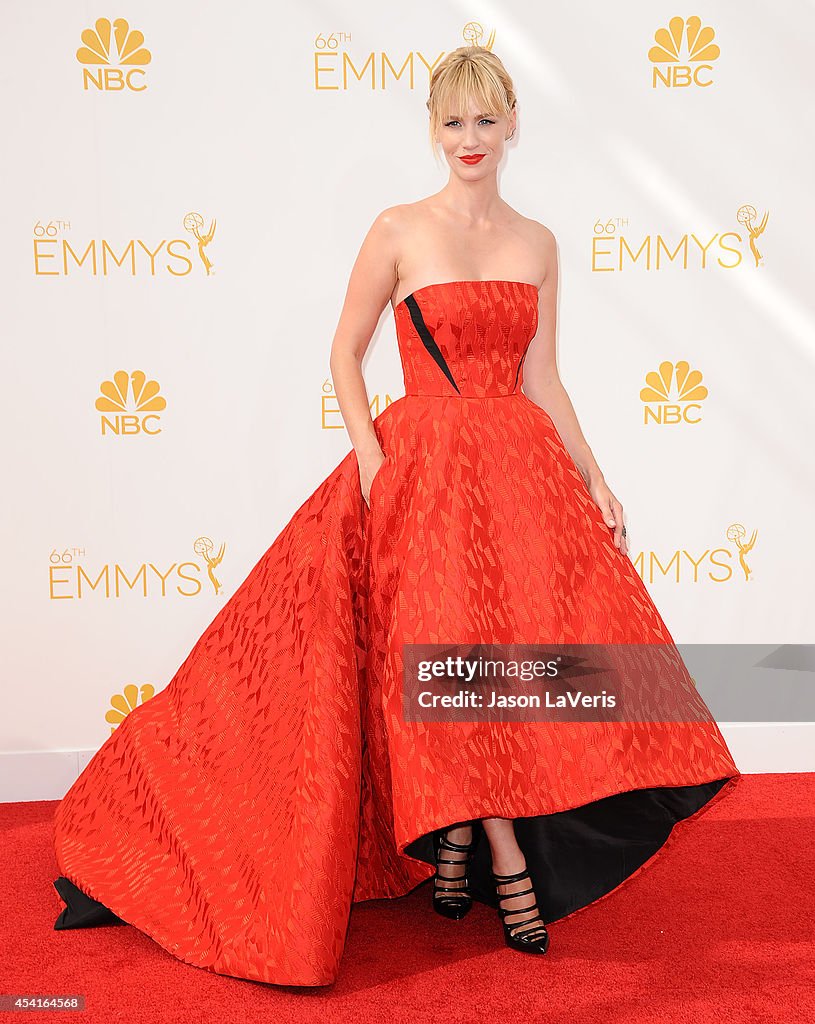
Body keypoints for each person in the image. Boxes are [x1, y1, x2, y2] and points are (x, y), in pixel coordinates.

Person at [52, 45, 740, 986]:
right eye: (453, 122)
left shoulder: (536, 241)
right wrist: (375, 465)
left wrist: (594, 474)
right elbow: (344, 354)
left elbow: (542, 374)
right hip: (420, 469)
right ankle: (503, 859)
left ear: (511, 128)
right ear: (431, 127)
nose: (470, 139)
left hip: (515, 468)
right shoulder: (397, 229)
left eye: (486, 121)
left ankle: (458, 836)